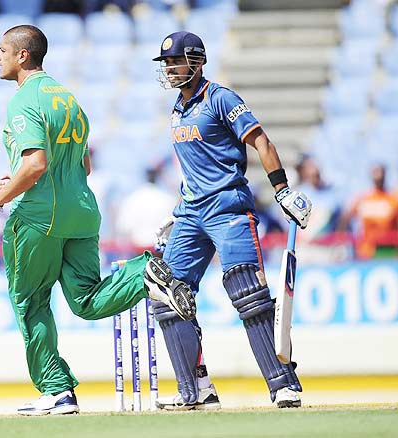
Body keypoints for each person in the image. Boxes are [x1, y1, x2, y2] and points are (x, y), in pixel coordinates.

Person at [0, 25, 196, 416]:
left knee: (30, 301)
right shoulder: (69, 99)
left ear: (22, 55)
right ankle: (144, 273)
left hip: (40, 217)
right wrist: (26, 173)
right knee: (87, 300)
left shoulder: (24, 99)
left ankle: (57, 390)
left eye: (3, 49)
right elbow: (84, 163)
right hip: (82, 212)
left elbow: (37, 163)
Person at [149, 31, 312, 410]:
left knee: (248, 295)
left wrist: (282, 191)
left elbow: (261, 142)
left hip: (228, 207)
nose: (171, 69)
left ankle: (283, 384)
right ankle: (197, 391)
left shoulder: (221, 98)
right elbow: (194, 168)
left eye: (176, 61)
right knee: (165, 295)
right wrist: (179, 213)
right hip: (191, 212)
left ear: (198, 61)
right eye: (167, 63)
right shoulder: (178, 108)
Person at [340, 163, 398, 259]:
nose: (378, 177)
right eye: (375, 173)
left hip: (388, 251)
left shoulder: (394, 200)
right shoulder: (363, 199)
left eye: (380, 173)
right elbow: (345, 218)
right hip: (366, 251)